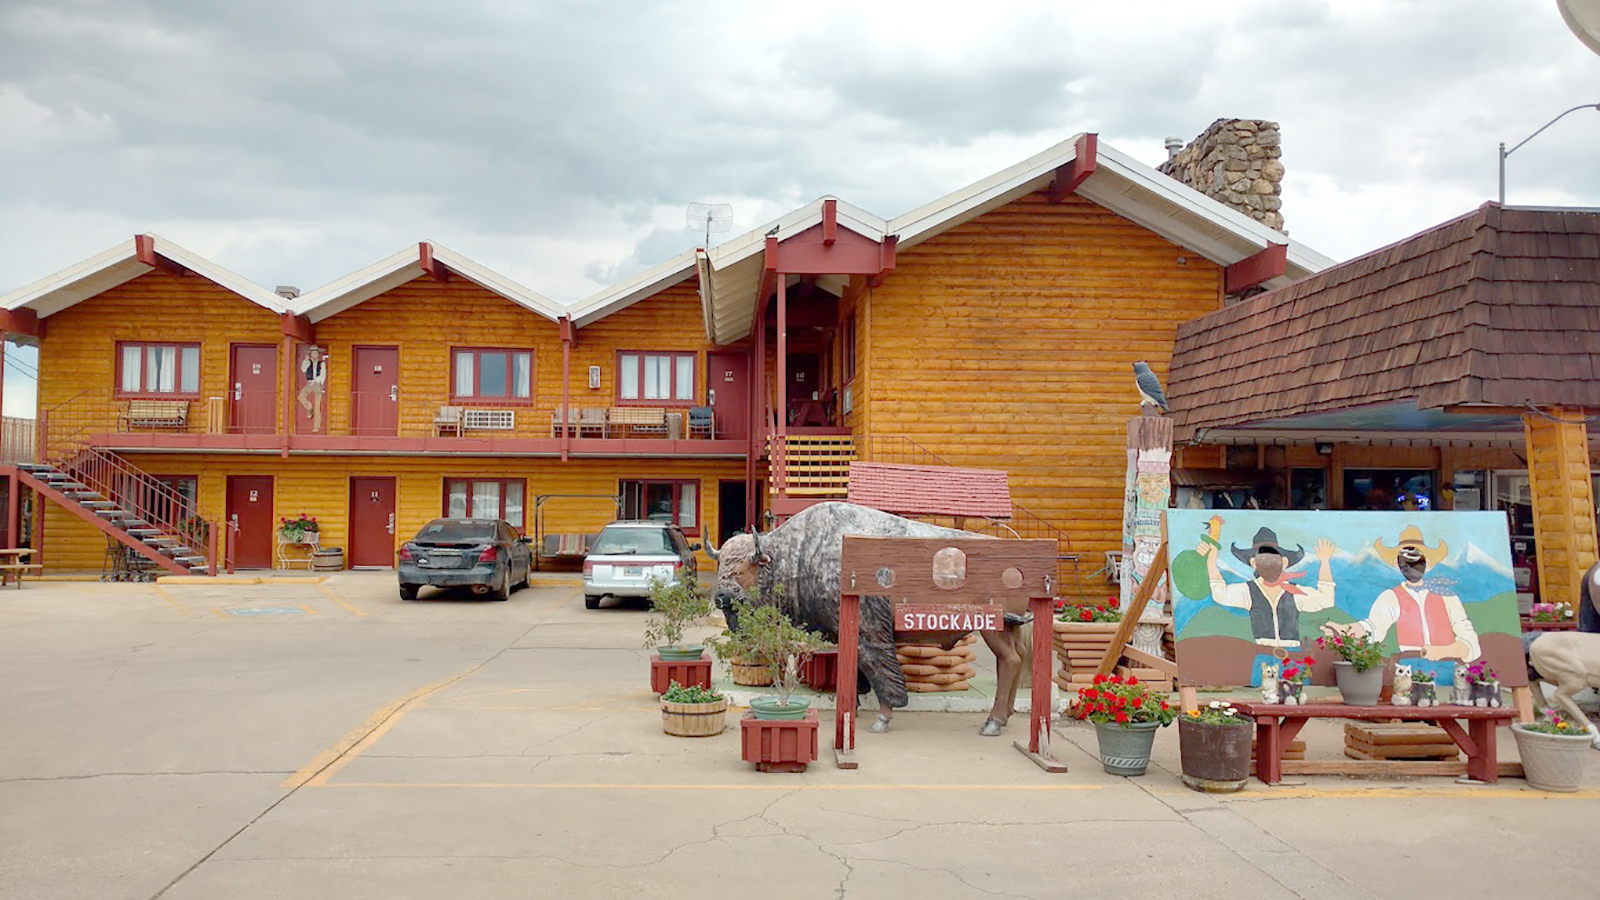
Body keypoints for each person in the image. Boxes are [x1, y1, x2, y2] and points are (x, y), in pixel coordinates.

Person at [1326, 525, 1480, 661]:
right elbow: (1372, 628)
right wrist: (1344, 631)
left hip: (1448, 664)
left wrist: (1442, 651)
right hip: (1409, 664)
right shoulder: (1391, 597)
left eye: (1417, 562)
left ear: (1429, 563)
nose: (1411, 567)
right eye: (1405, 562)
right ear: (1397, 564)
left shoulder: (1447, 596)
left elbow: (1470, 642)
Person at [1199, 526, 1337, 648]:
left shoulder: (1295, 592)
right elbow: (1220, 594)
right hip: (1261, 653)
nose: (1269, 563)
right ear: (1254, 563)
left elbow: (1326, 599)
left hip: (1293, 656)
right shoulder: (1249, 590)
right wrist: (1211, 561)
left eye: (1273, 558)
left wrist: (1325, 562)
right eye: (1263, 559)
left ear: (1284, 562)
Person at [297, 346, 327, 433]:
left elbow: (323, 375)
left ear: (318, 354)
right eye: (312, 353)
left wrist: (316, 381)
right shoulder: (308, 362)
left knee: (317, 405)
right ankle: (309, 407)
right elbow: (303, 369)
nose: (314, 354)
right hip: (310, 383)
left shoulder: (321, 363)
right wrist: (306, 360)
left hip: (317, 384)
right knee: (300, 396)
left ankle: (316, 427)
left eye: (316, 353)